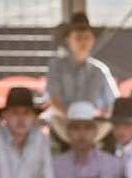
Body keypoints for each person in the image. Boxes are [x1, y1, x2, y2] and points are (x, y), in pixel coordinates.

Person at [46, 11, 117, 143]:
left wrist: (89, 123)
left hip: (93, 130)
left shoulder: (100, 70)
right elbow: (53, 99)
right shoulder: (56, 66)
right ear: (68, 39)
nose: (83, 42)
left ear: (93, 40)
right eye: (78, 37)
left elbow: (111, 104)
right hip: (63, 127)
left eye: (87, 37)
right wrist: (75, 121)